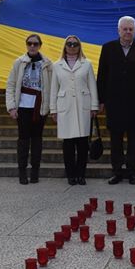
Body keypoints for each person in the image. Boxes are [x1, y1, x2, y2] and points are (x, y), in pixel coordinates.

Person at [97, 16, 135, 185]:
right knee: (116, 138)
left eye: (131, 29)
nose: (128, 32)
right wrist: (101, 100)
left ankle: (132, 171)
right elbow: (102, 75)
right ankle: (117, 171)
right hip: (114, 102)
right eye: (125, 29)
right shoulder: (108, 48)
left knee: (134, 138)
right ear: (118, 30)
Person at [50, 35, 98, 186]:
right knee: (68, 144)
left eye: (75, 44)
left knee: (83, 143)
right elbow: (53, 89)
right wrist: (53, 109)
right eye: (69, 44)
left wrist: (94, 106)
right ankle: (71, 174)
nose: (72, 46)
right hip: (65, 106)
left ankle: (81, 174)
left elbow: (92, 86)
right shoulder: (57, 65)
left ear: (79, 46)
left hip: (83, 105)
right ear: (64, 46)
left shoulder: (87, 64)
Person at [6, 34, 52, 184]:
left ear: (40, 45)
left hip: (40, 106)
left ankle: (35, 172)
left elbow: (52, 86)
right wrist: (12, 106)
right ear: (26, 45)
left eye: (35, 44)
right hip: (23, 106)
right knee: (23, 139)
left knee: (37, 139)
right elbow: (11, 85)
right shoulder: (18, 62)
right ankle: (22, 172)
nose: (32, 46)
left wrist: (52, 107)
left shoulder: (47, 64)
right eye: (29, 43)